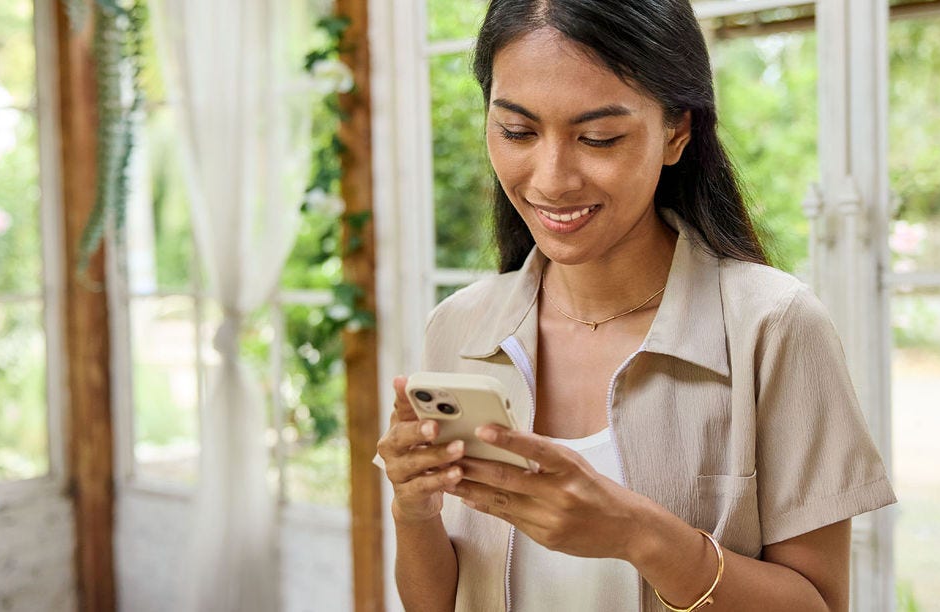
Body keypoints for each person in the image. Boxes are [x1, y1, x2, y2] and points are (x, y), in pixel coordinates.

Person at [375, 1, 896, 610]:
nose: (551, 179)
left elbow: (821, 605)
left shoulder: (773, 327)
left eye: (599, 137)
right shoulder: (461, 327)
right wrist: (414, 511)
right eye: (517, 131)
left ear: (677, 131)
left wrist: (641, 536)